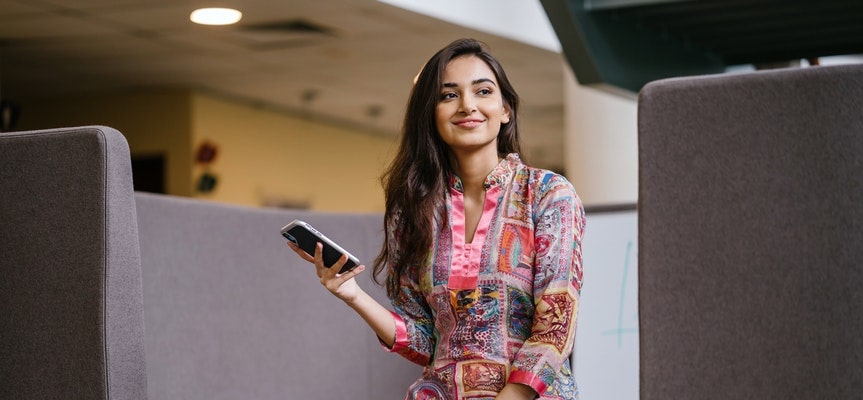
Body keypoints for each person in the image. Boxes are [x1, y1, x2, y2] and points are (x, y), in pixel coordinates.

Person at [287, 38, 585, 400]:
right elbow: (425, 342)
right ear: (431, 114)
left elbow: (555, 325)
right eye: (448, 96)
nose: (468, 106)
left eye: (483, 91)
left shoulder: (548, 195)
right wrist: (352, 295)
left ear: (505, 108)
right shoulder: (414, 211)